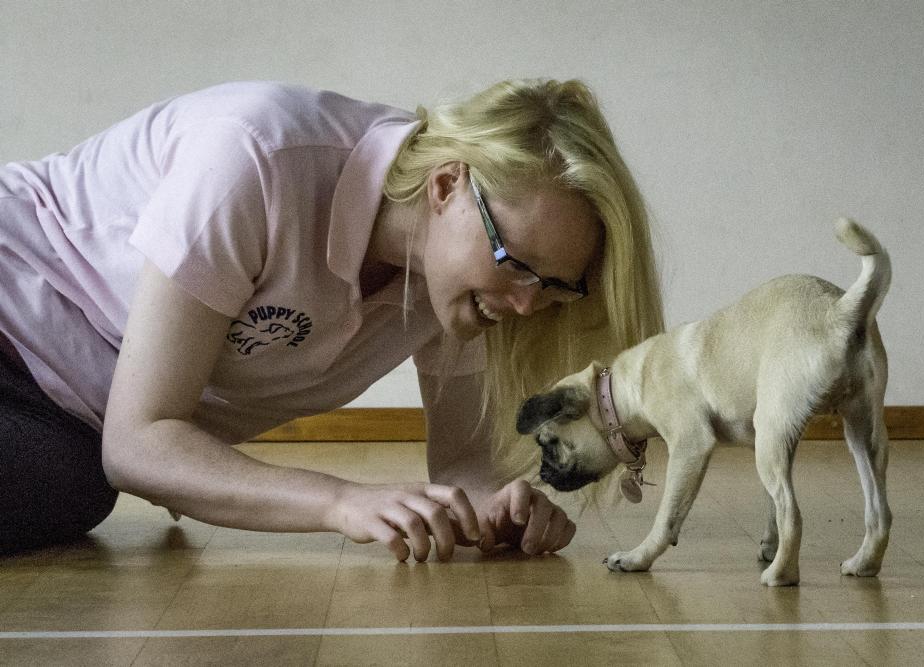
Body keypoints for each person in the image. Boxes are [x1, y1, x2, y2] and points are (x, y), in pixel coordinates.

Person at [0, 79, 664, 559]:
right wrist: (340, 500)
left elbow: (463, 466)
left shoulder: (456, 289)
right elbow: (139, 443)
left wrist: (502, 505)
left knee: (74, 487)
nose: (525, 303)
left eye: (553, 288)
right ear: (446, 187)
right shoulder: (256, 158)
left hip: (71, 425)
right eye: (517, 263)